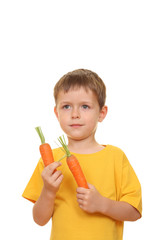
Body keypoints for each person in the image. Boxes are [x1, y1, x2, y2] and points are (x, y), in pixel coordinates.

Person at [22, 69, 142, 240]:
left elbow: (134, 212)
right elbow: (39, 220)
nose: (75, 114)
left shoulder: (116, 157)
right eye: (66, 106)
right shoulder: (50, 161)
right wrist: (48, 191)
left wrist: (102, 204)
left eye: (85, 106)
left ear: (101, 113)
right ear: (57, 113)